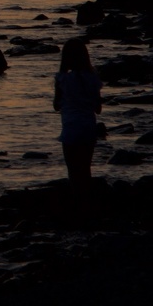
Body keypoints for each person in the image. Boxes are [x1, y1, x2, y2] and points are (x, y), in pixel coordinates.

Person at [53, 38, 101, 194]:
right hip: (88, 127)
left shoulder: (62, 79)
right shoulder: (93, 78)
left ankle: (76, 201)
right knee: (86, 169)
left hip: (71, 128)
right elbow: (98, 108)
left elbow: (56, 106)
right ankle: (88, 200)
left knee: (73, 171)